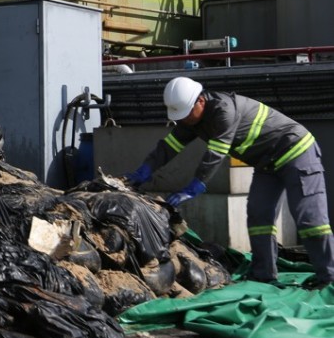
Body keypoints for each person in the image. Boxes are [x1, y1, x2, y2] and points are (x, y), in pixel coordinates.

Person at [125, 76, 334, 287]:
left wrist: (196, 185)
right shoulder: (190, 120)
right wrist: (145, 170)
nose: (184, 119)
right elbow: (168, 147)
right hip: (266, 164)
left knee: (310, 219)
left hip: (296, 152)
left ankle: (329, 276)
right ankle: (263, 274)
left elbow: (216, 153)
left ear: (200, 101)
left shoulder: (224, 111)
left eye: (187, 113)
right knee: (258, 216)